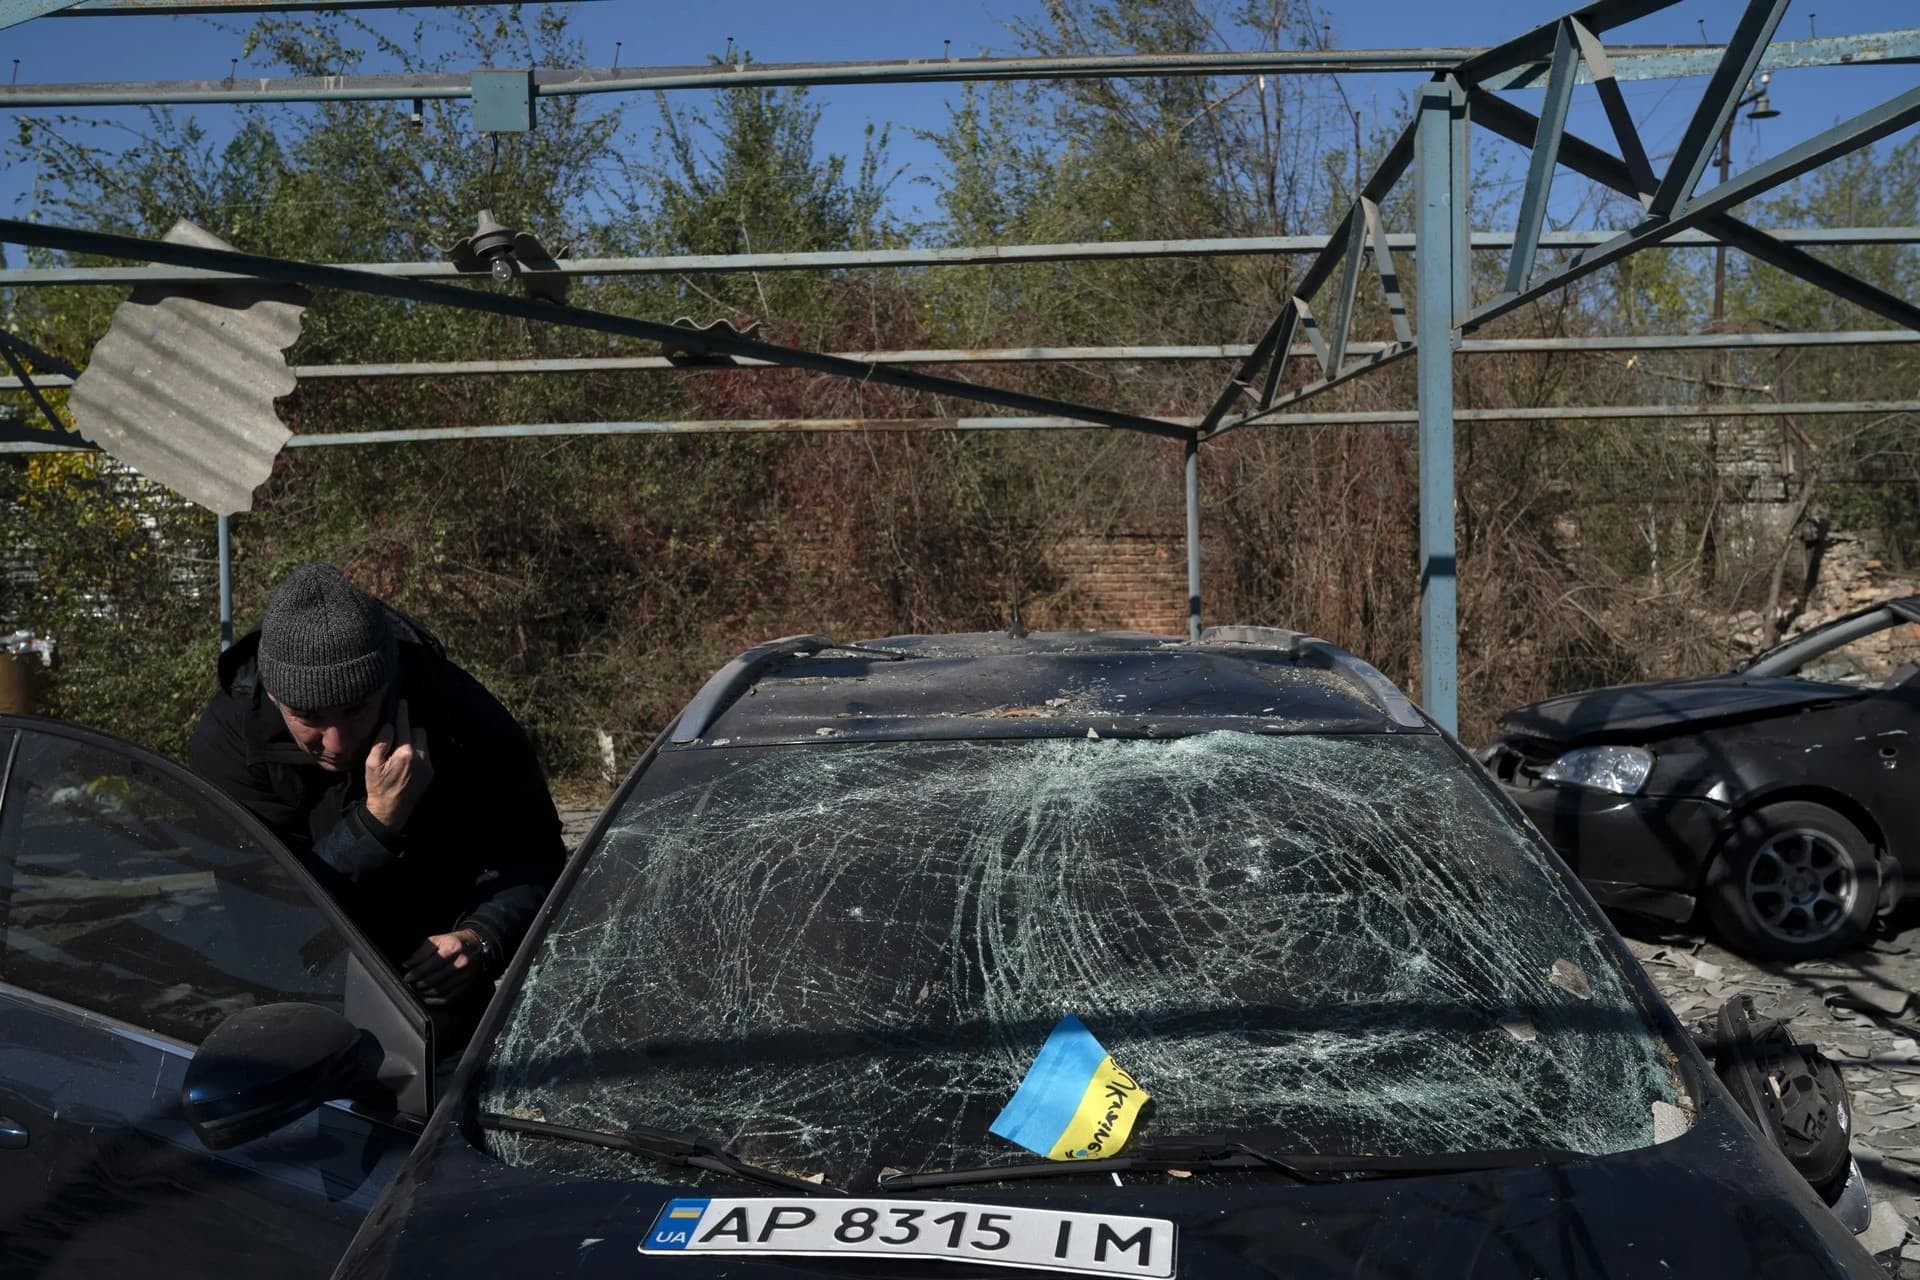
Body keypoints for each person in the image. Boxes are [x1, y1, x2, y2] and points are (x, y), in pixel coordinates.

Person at [190, 563, 566, 1046]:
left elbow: (534, 852)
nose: (338, 741)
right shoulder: (229, 744)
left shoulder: (459, 711)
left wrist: (481, 937)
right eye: (309, 717)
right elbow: (269, 924)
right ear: (274, 692)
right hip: (297, 1002)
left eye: (356, 709)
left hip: (442, 999)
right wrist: (374, 825)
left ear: (386, 682)